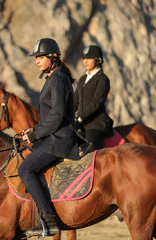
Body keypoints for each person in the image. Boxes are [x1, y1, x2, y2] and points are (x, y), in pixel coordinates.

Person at [18, 38, 80, 237]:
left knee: (25, 169)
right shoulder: (53, 78)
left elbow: (58, 115)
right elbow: (50, 116)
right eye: (36, 57)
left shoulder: (59, 79)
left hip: (60, 140)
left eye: (40, 57)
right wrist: (33, 130)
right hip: (53, 137)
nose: (37, 61)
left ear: (53, 57)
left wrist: (36, 134)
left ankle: (48, 218)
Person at [74, 45, 113, 152]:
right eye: (83, 59)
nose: (85, 61)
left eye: (89, 59)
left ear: (98, 60)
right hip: (81, 123)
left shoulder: (102, 79)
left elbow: (97, 102)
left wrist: (80, 116)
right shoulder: (82, 79)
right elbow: (75, 101)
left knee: (90, 153)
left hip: (96, 125)